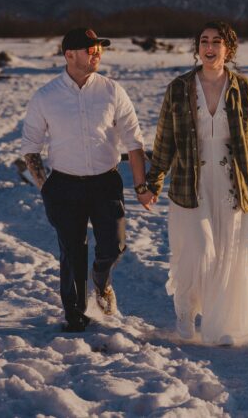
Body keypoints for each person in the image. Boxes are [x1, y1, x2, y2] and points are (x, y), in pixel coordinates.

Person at [145, 20, 248, 345]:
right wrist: (153, 182)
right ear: (197, 48)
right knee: (199, 251)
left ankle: (221, 325)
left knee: (228, 255)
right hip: (191, 182)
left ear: (228, 48)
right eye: (204, 41)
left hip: (232, 182)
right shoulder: (179, 88)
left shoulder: (244, 90)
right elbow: (164, 140)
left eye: (217, 41)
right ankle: (186, 311)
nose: (209, 47)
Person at [21, 27, 152, 333]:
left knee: (114, 246)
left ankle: (101, 279)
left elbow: (134, 142)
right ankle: (75, 314)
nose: (97, 54)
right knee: (72, 250)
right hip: (63, 186)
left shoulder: (112, 91)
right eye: (90, 50)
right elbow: (30, 148)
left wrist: (141, 185)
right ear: (69, 55)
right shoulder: (46, 97)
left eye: (99, 49)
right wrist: (46, 188)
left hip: (105, 183)